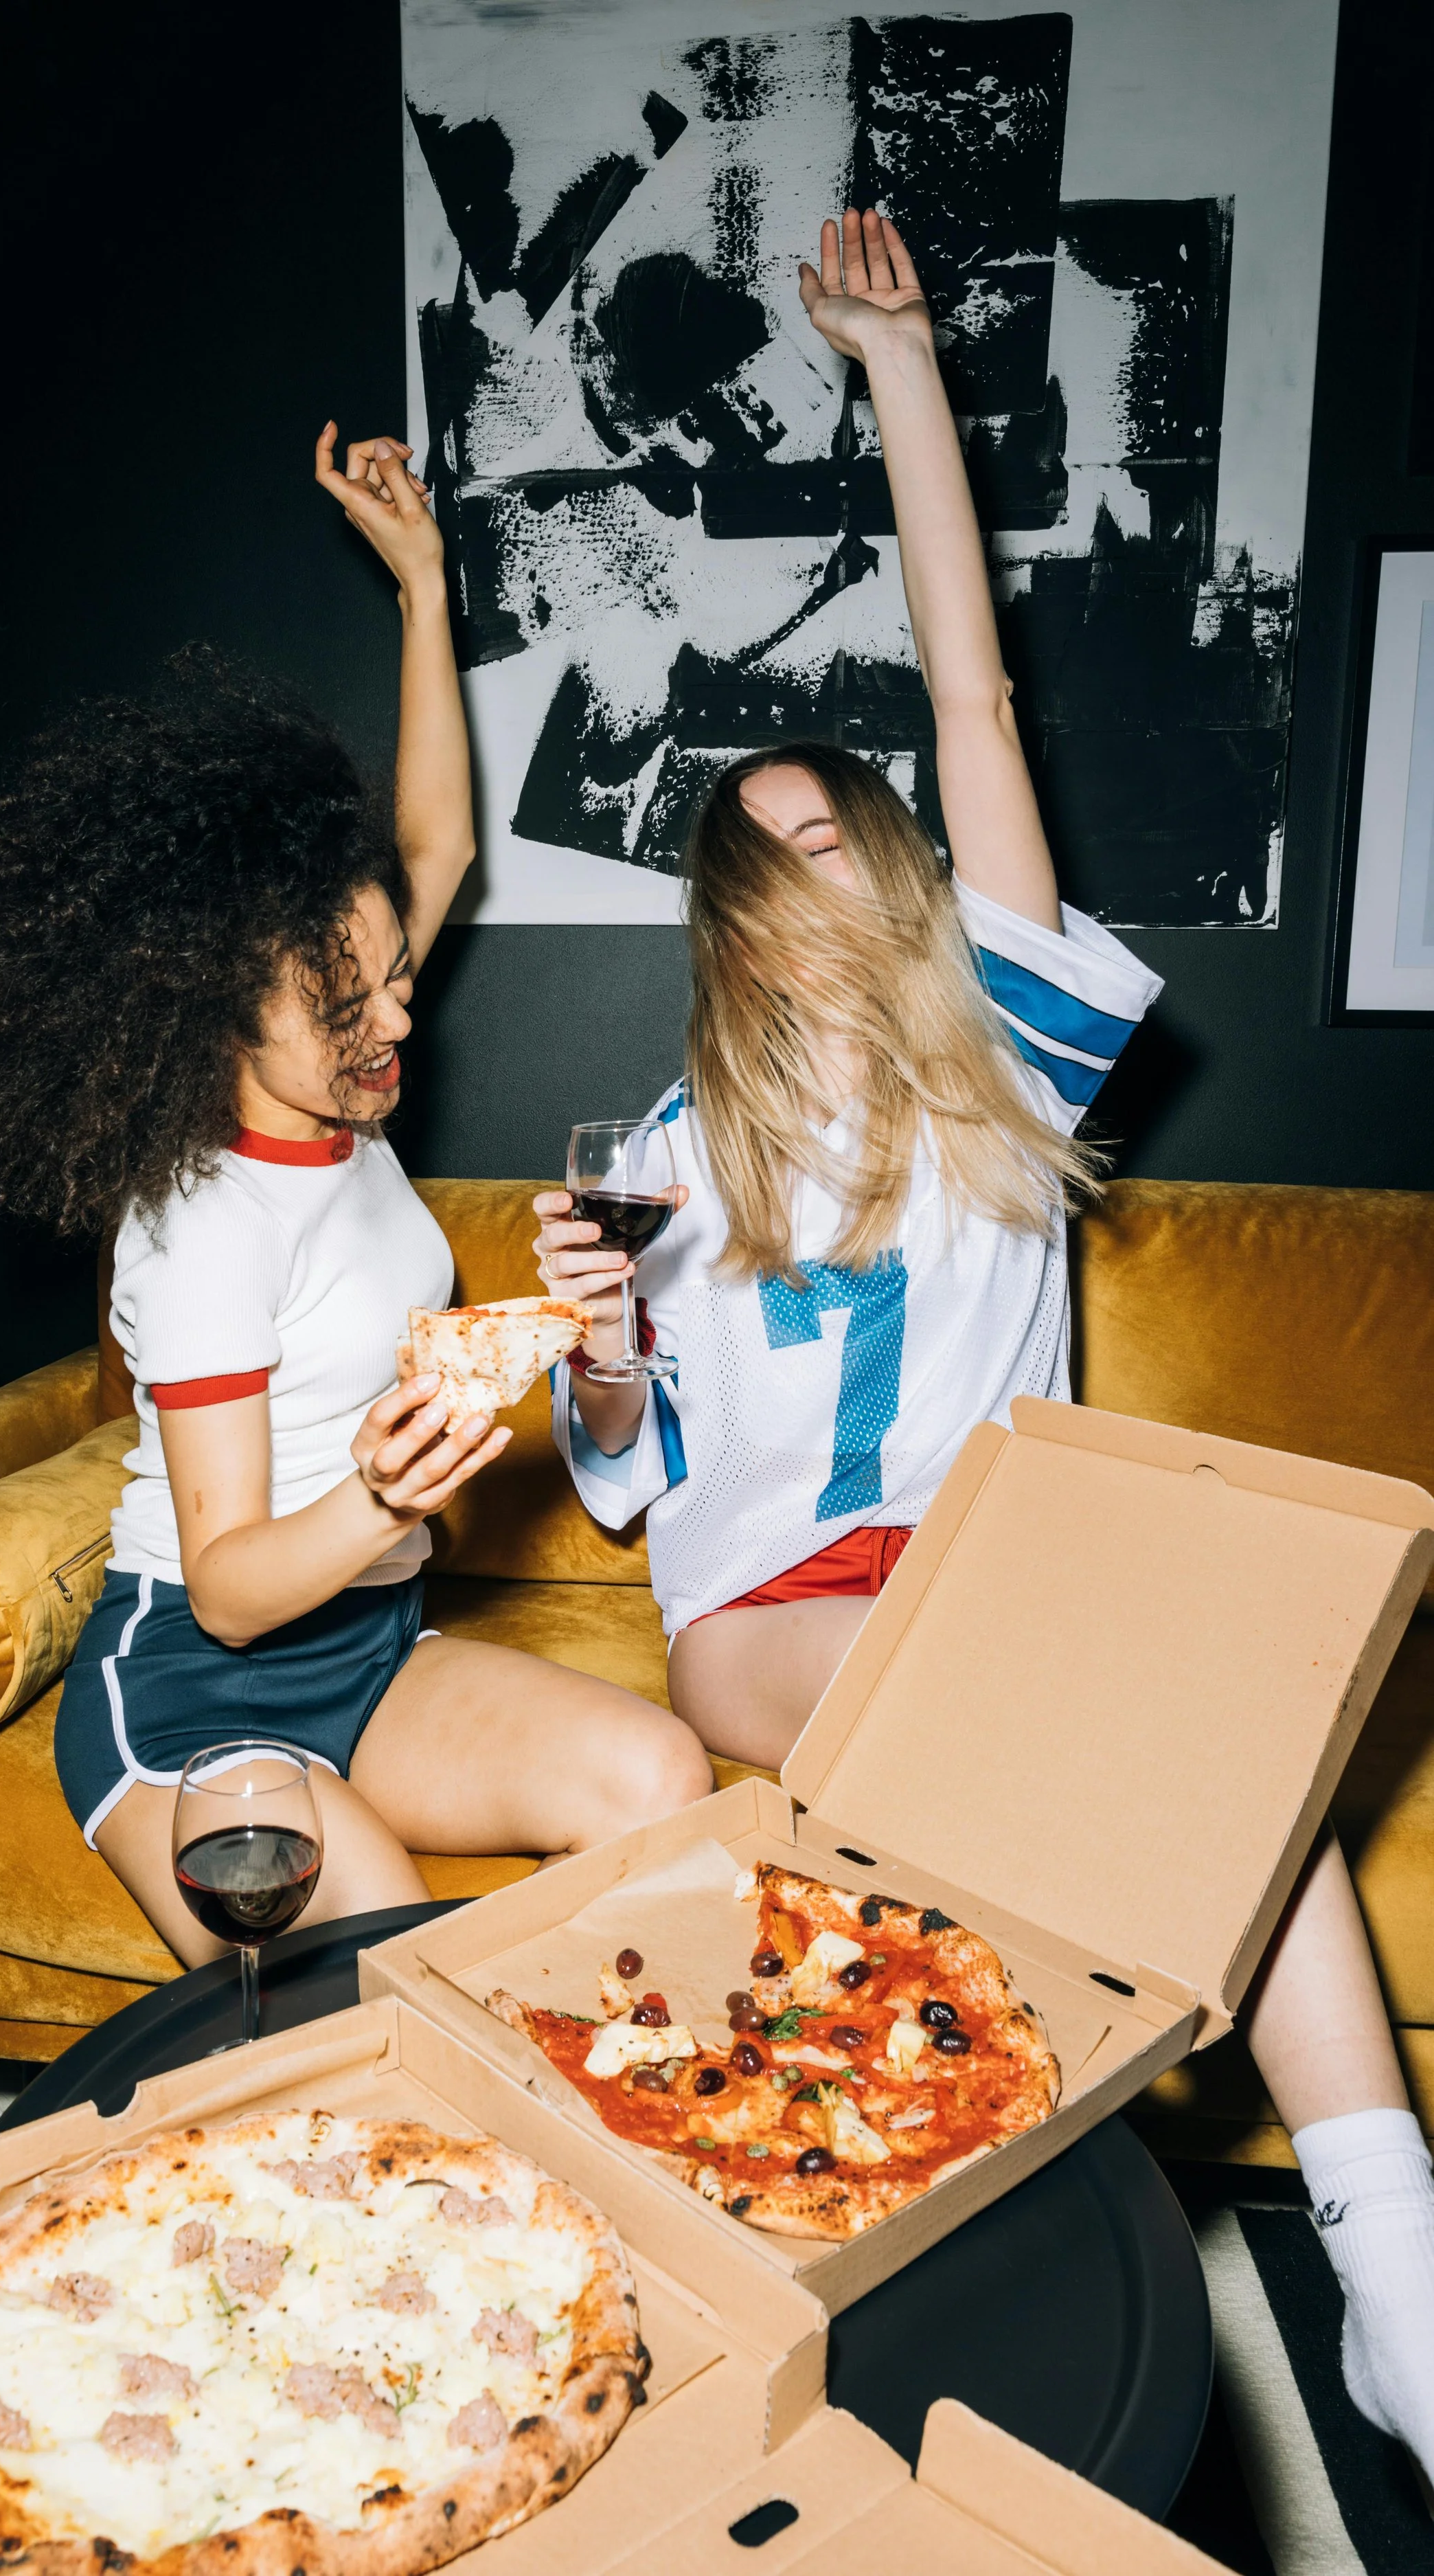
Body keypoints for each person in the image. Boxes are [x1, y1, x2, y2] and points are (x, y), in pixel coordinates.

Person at [533, 207, 1434, 2477]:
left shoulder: (998, 1062)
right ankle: (999, 2280)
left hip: (998, 1569)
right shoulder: (656, 1140)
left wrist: (903, 370)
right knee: (993, 1721)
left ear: (893, 871)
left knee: (1206, 1736)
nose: (816, 877)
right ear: (736, 930)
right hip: (767, 1611)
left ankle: (1393, 2266)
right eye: (770, 860)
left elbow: (969, 690)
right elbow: (630, 1454)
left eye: (838, 837)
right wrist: (597, 1337)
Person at [0, 422, 712, 1963]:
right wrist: (386, 1493)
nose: (396, 1023)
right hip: (199, 1689)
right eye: (348, 1006)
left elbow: (435, 839)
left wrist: (422, 580)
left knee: (655, 1778)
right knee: (382, 1958)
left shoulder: (334, 1078)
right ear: (214, 1005)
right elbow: (222, 1590)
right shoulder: (200, 1221)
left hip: (368, 1644)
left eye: (396, 977)